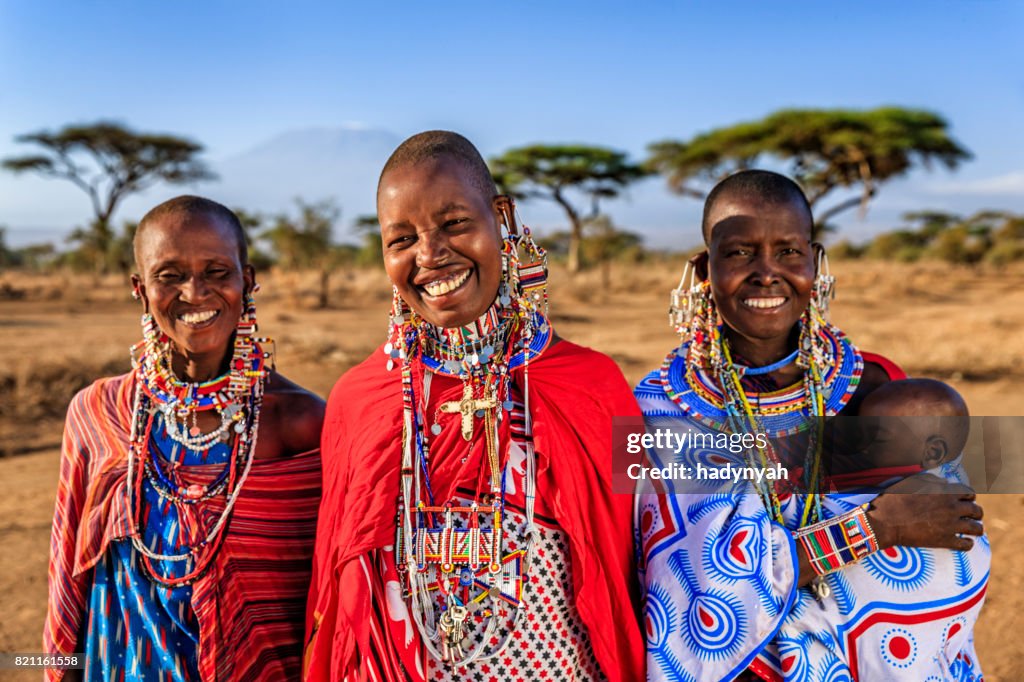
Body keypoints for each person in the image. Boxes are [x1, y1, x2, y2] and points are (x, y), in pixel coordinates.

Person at [304, 131, 643, 682]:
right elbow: (340, 597)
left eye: (455, 223)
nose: (431, 255)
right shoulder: (358, 401)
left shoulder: (590, 384)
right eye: (401, 240)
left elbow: (644, 559)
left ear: (501, 217)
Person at [634, 170, 989, 681]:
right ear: (703, 268)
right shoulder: (662, 407)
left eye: (788, 251)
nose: (766, 273)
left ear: (816, 261)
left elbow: (947, 527)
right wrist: (876, 527)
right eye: (738, 253)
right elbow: (693, 596)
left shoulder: (875, 385)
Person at [44, 196, 325, 681]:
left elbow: (328, 597)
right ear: (140, 287)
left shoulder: (300, 423)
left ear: (248, 279)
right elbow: (69, 575)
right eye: (169, 274)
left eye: (217, 271)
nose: (194, 292)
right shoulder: (99, 412)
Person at [830, 378, 971, 481]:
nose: (860, 446)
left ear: (933, 453)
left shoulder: (919, 496)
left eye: (877, 438)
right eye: (859, 434)